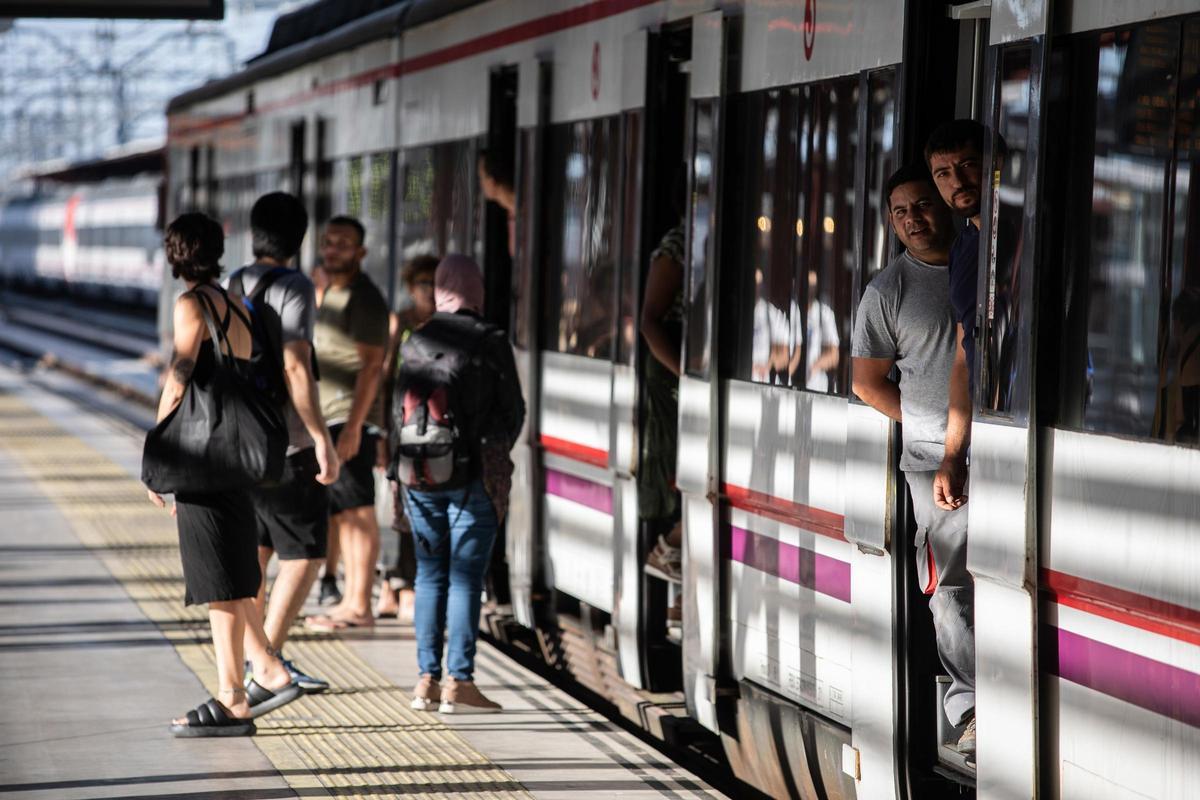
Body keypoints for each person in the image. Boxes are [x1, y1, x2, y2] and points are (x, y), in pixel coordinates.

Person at [148, 212, 302, 736]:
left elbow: (180, 375)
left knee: (218, 581)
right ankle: (269, 667)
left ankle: (234, 698)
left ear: (175, 255)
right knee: (235, 571)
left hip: (203, 459)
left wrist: (158, 452)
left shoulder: (192, 303)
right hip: (235, 456)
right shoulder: (239, 302)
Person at [851, 164, 976, 755]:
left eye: (921, 205)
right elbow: (867, 383)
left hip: (994, 452)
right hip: (932, 460)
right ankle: (969, 705)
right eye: (899, 212)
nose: (912, 220)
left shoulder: (980, 261)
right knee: (950, 587)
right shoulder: (887, 291)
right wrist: (929, 426)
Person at [399, 254, 525, 713]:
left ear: (439, 289)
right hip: (473, 476)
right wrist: (492, 447)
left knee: (430, 575)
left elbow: (401, 407)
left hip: (419, 474)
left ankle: (425, 681)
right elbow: (514, 412)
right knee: (467, 578)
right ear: (477, 290)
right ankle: (460, 682)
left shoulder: (418, 336)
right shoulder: (490, 340)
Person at [228, 192, 341, 694]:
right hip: (289, 443)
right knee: (305, 553)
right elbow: (296, 364)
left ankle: (255, 663)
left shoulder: (235, 281)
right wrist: (321, 437)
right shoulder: (295, 285)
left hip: (242, 439)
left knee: (256, 550)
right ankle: (266, 663)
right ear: (299, 237)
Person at [306, 216, 390, 631]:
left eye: (343, 244)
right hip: (330, 418)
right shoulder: (330, 292)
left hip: (348, 418)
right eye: (329, 242)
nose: (333, 249)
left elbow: (372, 367)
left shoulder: (365, 298)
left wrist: (357, 426)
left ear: (361, 252)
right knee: (342, 512)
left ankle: (359, 604)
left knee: (357, 511)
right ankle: (352, 601)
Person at [926, 120, 986, 513]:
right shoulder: (964, 246)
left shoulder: (1028, 233)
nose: (957, 181)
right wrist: (952, 454)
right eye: (944, 174)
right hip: (986, 433)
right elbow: (966, 354)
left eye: (967, 165)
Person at [376, 254, 439, 620]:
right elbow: (385, 381)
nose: (429, 291)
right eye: (422, 284)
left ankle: (404, 583)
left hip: (434, 431)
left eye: (435, 284)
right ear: (410, 287)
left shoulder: (446, 324)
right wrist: (382, 435)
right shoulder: (400, 323)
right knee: (396, 508)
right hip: (401, 429)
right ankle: (393, 583)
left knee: (419, 508)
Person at [640, 218, 685, 610]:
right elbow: (649, 321)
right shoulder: (678, 242)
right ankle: (669, 547)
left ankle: (683, 593)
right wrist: (686, 375)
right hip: (674, 370)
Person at [478, 147, 516, 257]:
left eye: (482, 177)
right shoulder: (512, 214)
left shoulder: (524, 212)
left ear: (492, 181)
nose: (481, 184)